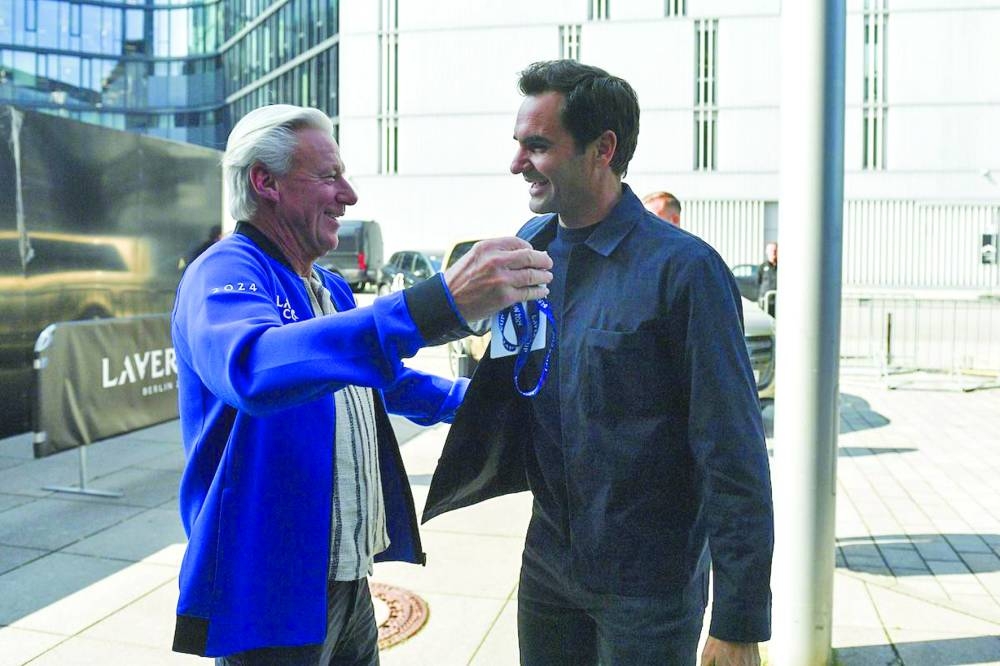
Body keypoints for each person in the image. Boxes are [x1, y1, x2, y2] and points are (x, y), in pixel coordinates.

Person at [170, 104, 552, 663]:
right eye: (328, 176)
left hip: (349, 580)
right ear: (264, 182)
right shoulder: (225, 270)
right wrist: (430, 304)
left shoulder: (325, 284)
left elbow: (389, 383)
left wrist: (489, 404)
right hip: (274, 588)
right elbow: (251, 366)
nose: (349, 195)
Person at [423, 60, 773, 666]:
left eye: (537, 146)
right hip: (548, 571)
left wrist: (738, 620)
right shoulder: (529, 249)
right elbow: (512, 387)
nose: (516, 164)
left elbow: (731, 449)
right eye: (517, 144)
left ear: (602, 149)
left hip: (649, 591)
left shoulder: (684, 271)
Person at [757, 241, 778, 316]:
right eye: (771, 251)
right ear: (767, 252)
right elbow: (758, 282)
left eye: (775, 251)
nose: (773, 253)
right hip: (766, 302)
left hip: (779, 303)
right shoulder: (762, 267)